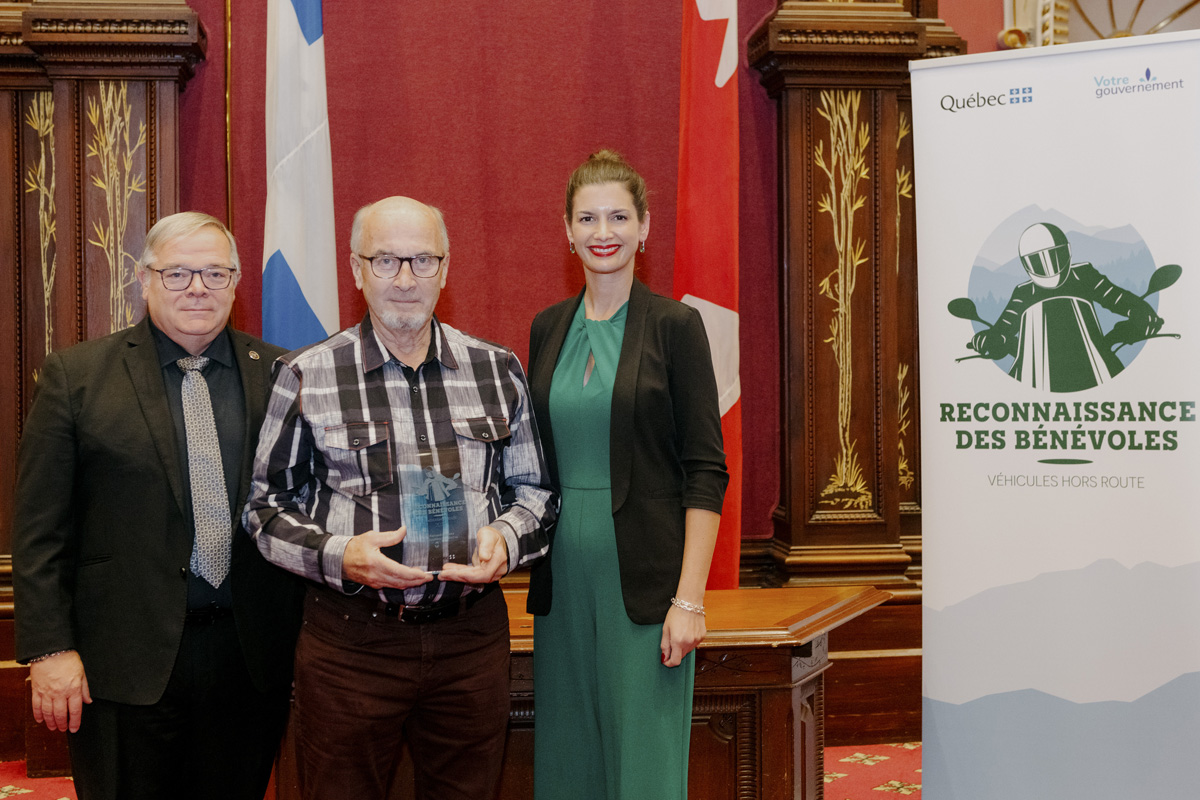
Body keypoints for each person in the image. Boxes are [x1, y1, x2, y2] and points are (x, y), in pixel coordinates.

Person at [243, 196, 557, 800]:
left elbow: (537, 492)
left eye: (422, 259)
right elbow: (263, 508)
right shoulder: (308, 373)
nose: (406, 279)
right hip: (351, 641)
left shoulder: (497, 369)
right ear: (356, 271)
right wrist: (339, 555)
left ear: (446, 268)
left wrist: (507, 540)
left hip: (471, 639)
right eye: (386, 261)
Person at [13, 212, 302, 800]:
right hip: (121, 662)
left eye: (214, 273)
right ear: (143, 280)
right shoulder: (77, 377)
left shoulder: (283, 375)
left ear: (237, 281)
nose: (198, 287)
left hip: (249, 659)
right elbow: (40, 531)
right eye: (177, 273)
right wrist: (49, 647)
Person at [527, 150, 729, 799]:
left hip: (645, 585)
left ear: (645, 226)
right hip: (562, 584)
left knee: (642, 766)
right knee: (569, 759)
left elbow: (705, 469)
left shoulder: (675, 326)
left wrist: (689, 599)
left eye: (618, 215)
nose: (602, 231)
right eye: (587, 217)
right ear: (567, 230)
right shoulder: (546, 328)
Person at [969, 222, 1163, 391]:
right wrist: (989, 340)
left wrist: (1140, 313)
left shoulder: (1084, 275)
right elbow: (1004, 328)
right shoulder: (1023, 293)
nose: (1048, 266)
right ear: (1026, 264)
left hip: (1094, 361)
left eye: (1055, 255)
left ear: (1067, 251)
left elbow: (1117, 298)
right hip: (1035, 371)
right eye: (1038, 260)